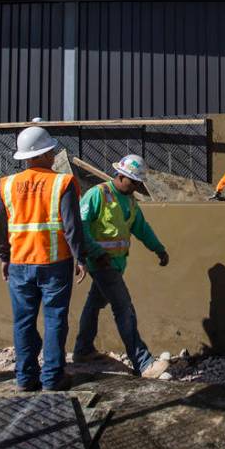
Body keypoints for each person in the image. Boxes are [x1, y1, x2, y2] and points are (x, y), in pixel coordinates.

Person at [0, 125, 87, 392]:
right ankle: (52, 378)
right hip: (54, 264)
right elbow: (72, 226)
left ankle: (25, 378)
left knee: (23, 321)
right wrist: (81, 257)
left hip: (20, 264)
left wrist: (3, 256)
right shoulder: (62, 182)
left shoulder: (7, 185)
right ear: (45, 154)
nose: (55, 154)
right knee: (55, 320)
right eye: (52, 150)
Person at [72, 154, 171, 377]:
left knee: (93, 304)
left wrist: (158, 248)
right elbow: (80, 224)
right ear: (121, 175)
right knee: (124, 308)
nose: (136, 186)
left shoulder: (130, 201)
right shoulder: (98, 194)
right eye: (133, 182)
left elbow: (141, 228)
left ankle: (83, 349)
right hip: (101, 263)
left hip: (117, 264)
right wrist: (95, 253)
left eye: (138, 183)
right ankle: (144, 363)